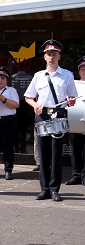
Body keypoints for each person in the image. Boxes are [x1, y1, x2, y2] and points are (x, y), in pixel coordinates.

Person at [25, 39, 77, 202]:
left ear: (59, 56)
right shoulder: (39, 76)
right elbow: (28, 96)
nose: (51, 57)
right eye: (48, 54)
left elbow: (72, 98)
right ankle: (44, 189)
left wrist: (71, 101)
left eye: (54, 54)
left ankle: (55, 189)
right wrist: (35, 105)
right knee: (43, 153)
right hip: (42, 115)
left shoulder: (67, 75)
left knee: (56, 155)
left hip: (58, 115)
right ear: (45, 57)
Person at [65, 56, 85, 186]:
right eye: (82, 69)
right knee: (75, 150)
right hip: (75, 121)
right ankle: (76, 175)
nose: (84, 71)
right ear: (79, 71)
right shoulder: (74, 85)